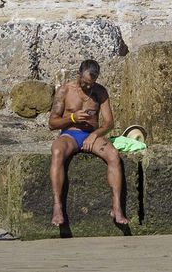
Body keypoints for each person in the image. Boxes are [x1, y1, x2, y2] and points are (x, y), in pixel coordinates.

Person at [47, 58, 129, 229]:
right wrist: (71, 118)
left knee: (113, 155)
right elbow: (52, 123)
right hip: (70, 135)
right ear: (78, 75)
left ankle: (116, 207)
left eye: (92, 83)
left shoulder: (100, 92)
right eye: (85, 83)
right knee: (57, 152)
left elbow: (109, 123)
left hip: (92, 135)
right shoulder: (65, 90)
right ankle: (57, 206)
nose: (89, 87)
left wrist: (95, 135)